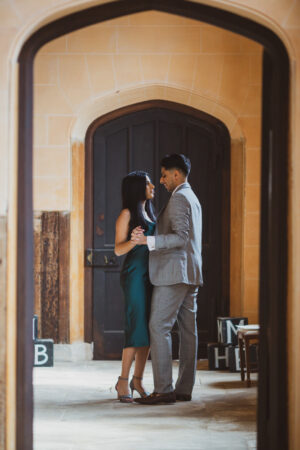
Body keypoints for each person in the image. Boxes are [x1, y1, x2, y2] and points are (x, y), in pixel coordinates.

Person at [132, 154, 203, 405]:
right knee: (188, 332)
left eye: (164, 175)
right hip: (190, 273)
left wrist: (147, 241)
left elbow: (180, 238)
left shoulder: (180, 197)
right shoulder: (192, 198)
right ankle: (183, 389)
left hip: (174, 274)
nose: (161, 180)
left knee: (159, 327)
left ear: (176, 174)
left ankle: (163, 390)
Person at [114, 171, 156, 403]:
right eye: (148, 182)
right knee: (135, 326)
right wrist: (132, 240)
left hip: (151, 276)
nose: (153, 186)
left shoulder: (149, 213)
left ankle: (137, 380)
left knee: (149, 328)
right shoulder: (126, 214)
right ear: (137, 188)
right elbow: (118, 250)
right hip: (134, 276)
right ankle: (122, 380)